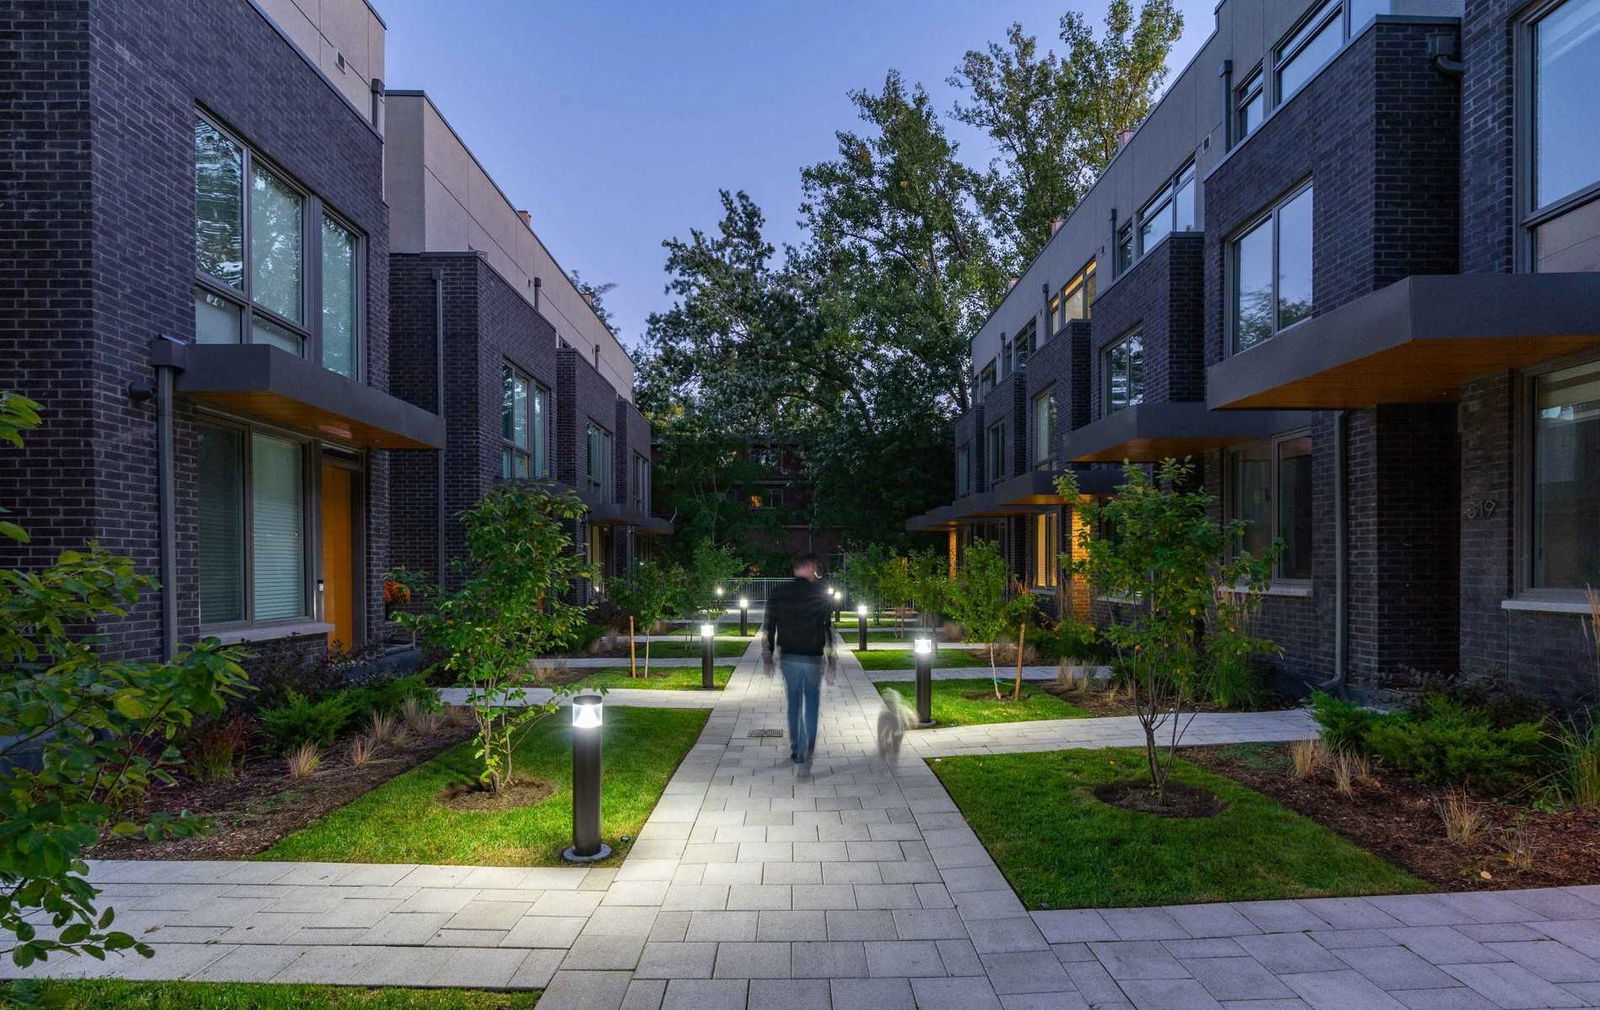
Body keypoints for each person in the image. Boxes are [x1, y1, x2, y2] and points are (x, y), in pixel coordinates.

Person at [761, 552, 838, 764]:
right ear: (810, 567)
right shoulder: (820, 594)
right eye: (815, 568)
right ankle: (807, 748)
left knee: (793, 703)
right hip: (813, 656)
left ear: (795, 569)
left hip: (789, 656)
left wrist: (767, 655)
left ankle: (797, 748)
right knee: (812, 702)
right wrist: (832, 660)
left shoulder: (779, 592)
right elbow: (827, 629)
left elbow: (769, 627)